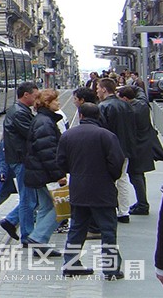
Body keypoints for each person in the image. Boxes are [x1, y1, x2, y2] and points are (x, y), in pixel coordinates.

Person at [57, 102, 124, 279]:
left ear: (80, 115)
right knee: (108, 230)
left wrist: (77, 173)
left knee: (77, 228)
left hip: (79, 190)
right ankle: (111, 269)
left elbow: (61, 162)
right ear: (98, 116)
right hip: (103, 191)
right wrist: (109, 177)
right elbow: (116, 164)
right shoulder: (107, 136)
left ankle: (70, 263)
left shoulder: (68, 136)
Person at [23, 89, 66, 256]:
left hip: (38, 172)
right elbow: (47, 152)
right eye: (56, 101)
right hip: (44, 173)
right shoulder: (45, 122)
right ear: (47, 103)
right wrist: (58, 175)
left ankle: (39, 247)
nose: (59, 103)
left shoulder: (43, 119)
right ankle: (38, 238)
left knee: (46, 206)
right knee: (62, 206)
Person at [0, 81, 39, 243]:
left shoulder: (20, 111)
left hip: (20, 158)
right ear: (26, 95)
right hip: (21, 159)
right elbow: (33, 134)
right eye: (35, 96)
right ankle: (27, 234)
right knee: (28, 198)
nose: (37, 99)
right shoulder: (19, 113)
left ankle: (11, 220)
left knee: (31, 197)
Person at [97, 77, 137, 222]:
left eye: (97, 88)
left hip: (110, 150)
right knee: (122, 178)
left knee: (108, 180)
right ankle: (124, 211)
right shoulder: (126, 105)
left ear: (103, 89)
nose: (96, 91)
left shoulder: (103, 107)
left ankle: (109, 210)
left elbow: (102, 131)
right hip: (125, 148)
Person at [117, 85, 155, 215]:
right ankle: (142, 202)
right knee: (139, 176)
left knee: (135, 176)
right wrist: (130, 86)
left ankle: (143, 205)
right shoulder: (143, 104)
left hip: (136, 146)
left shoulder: (130, 111)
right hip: (145, 144)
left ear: (126, 99)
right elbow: (140, 91)